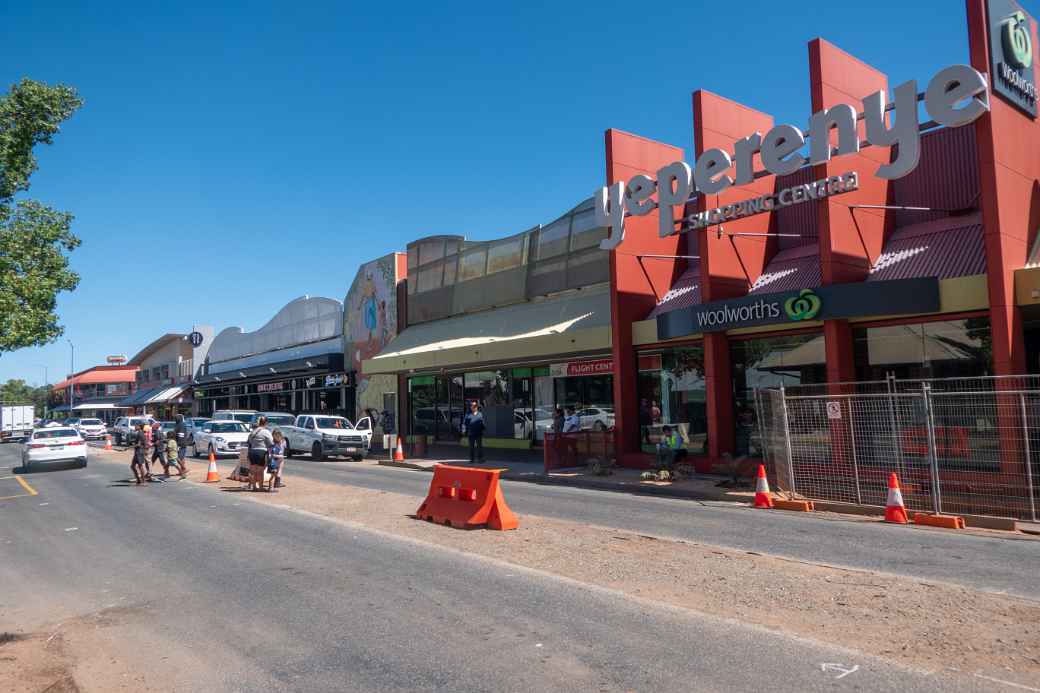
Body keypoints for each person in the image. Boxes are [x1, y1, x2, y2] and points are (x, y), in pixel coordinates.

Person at [246, 415, 274, 491]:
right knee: (260, 471)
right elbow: (271, 443)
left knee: (253, 471)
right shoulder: (266, 431)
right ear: (266, 423)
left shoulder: (253, 431)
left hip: (252, 451)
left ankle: (254, 486)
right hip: (261, 452)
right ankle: (261, 487)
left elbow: (249, 441)